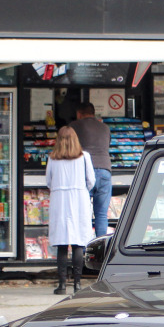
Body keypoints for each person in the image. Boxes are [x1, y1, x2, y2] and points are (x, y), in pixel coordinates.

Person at [45, 125, 95, 294]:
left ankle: (61, 284)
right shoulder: (84, 157)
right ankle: (78, 283)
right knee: (78, 242)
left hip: (60, 200)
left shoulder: (52, 158)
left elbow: (48, 181)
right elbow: (91, 180)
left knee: (61, 243)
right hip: (79, 199)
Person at [69, 102, 113, 238]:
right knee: (101, 214)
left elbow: (68, 148)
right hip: (105, 170)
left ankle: (83, 249)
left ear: (79, 113)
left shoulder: (74, 126)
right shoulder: (105, 128)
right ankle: (101, 249)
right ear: (93, 113)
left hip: (84, 171)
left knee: (83, 213)